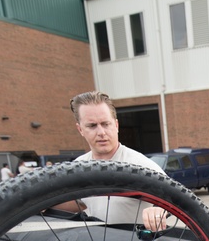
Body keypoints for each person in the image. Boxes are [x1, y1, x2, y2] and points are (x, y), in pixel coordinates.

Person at [69, 90, 168, 230]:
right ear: (80, 130)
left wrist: (159, 209)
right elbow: (80, 202)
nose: (101, 132)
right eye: (92, 126)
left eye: (105, 124)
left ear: (116, 125)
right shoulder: (79, 167)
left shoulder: (140, 164)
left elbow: (175, 197)